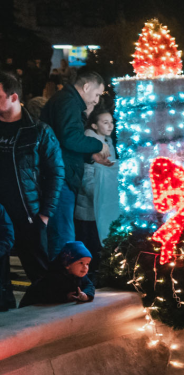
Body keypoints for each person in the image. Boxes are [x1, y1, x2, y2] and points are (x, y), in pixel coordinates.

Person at [0, 71, 64, 310]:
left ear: (13, 97)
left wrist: (45, 214)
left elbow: (57, 173)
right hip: (0, 214)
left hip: (28, 212)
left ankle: (51, 324)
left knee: (39, 271)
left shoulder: (39, 131)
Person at [38, 68, 106, 259]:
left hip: (60, 172)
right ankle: (62, 284)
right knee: (63, 233)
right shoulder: (68, 102)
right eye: (97, 94)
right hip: (61, 176)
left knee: (61, 231)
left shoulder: (67, 101)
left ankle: (59, 282)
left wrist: (89, 155)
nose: (97, 100)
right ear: (86, 87)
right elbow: (70, 138)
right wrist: (97, 145)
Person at [74, 108, 120, 275]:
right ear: (94, 125)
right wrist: (103, 194)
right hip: (89, 207)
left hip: (104, 203)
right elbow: (87, 178)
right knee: (91, 244)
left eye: (111, 122)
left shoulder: (107, 142)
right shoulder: (91, 143)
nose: (110, 126)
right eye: (105, 122)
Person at [19, 241, 95, 307]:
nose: (85, 267)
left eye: (87, 264)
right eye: (81, 263)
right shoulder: (54, 276)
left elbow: (89, 285)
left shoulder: (79, 275)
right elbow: (44, 293)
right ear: (67, 264)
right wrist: (64, 297)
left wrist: (86, 295)